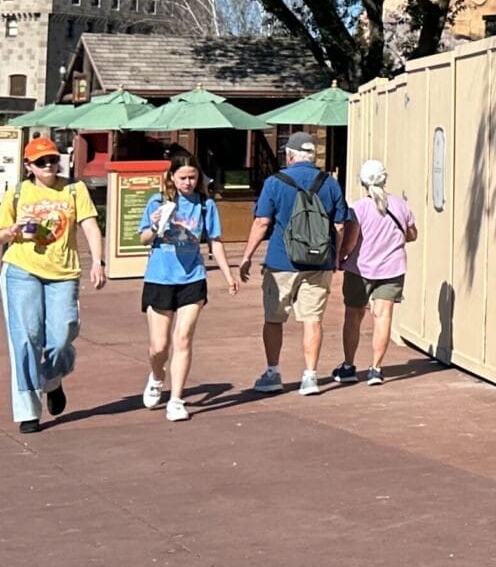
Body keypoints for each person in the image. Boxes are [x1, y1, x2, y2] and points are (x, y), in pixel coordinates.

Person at [0, 138, 106, 434]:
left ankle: (53, 379)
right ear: (28, 166)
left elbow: (91, 225)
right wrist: (13, 232)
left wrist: (98, 262)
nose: (48, 166)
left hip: (63, 271)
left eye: (53, 160)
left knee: (62, 332)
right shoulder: (17, 193)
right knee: (26, 338)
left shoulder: (73, 189)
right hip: (21, 269)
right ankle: (28, 410)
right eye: (41, 162)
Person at [234, 131, 353, 395]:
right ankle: (310, 376)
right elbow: (340, 225)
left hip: (281, 260)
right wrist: (335, 258)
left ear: (289, 155)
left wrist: (246, 257)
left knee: (274, 318)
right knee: (312, 320)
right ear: (312, 156)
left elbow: (262, 222)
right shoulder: (330, 183)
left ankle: (273, 372)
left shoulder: (274, 182)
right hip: (319, 261)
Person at [139, 157, 236, 420]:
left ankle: (176, 399)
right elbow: (143, 238)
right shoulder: (157, 202)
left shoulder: (206, 204)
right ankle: (157, 376)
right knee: (159, 346)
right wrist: (155, 225)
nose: (188, 182)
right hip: (160, 277)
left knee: (182, 339)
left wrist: (228, 275)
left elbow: (215, 241)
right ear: (171, 177)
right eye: (182, 177)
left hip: (192, 278)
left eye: (192, 176)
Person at [338, 158, 416, 386]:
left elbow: (351, 243)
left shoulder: (358, 208)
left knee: (353, 316)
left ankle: (348, 365)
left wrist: (340, 257)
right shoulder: (400, 205)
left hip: (360, 268)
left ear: (362, 182)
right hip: (392, 268)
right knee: (383, 317)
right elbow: (412, 234)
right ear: (385, 179)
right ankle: (376, 368)